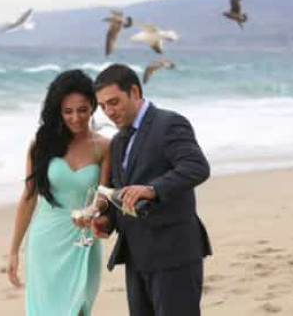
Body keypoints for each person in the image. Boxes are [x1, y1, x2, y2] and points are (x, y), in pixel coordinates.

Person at [89, 63, 212, 316]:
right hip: (136, 256)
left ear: (134, 92)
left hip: (174, 253)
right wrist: (107, 221)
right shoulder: (118, 141)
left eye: (114, 102)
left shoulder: (169, 123)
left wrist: (152, 189)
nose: (109, 112)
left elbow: (196, 167)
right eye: (102, 106)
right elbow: (120, 194)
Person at [8, 69, 112, 316]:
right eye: (68, 111)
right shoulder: (40, 146)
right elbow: (28, 198)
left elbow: (104, 194)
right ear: (58, 111)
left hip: (83, 238)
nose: (76, 118)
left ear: (93, 106)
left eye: (82, 110)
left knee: (79, 308)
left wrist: (93, 210)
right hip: (46, 239)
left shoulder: (104, 146)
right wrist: (13, 250)